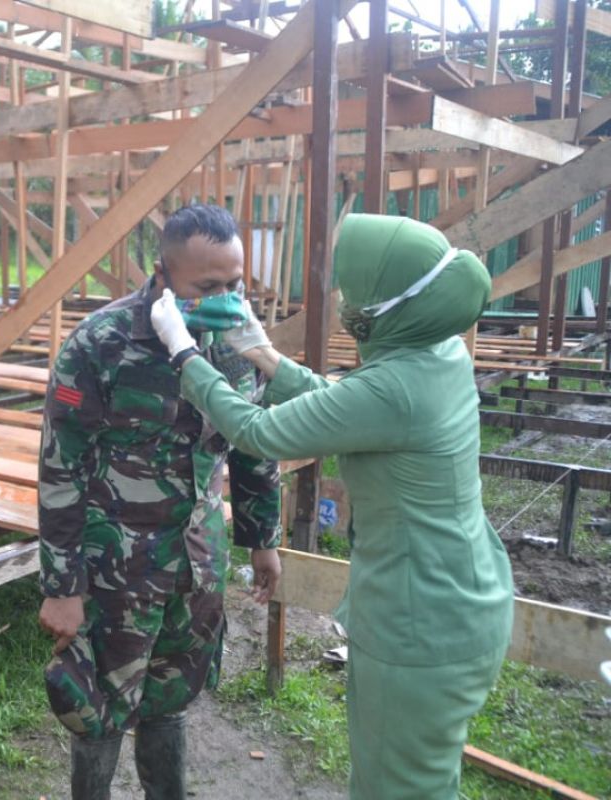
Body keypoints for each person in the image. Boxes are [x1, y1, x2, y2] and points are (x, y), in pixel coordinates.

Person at [151, 213, 514, 799]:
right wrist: (265, 355)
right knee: (414, 781)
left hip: (419, 622)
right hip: (460, 600)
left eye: (354, 291)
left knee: (394, 789)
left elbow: (259, 433)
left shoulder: (396, 387)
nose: (345, 300)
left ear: (387, 303)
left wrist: (184, 355)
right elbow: (345, 403)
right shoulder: (439, 353)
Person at [37, 204, 283, 799]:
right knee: (99, 707)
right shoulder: (102, 343)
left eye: (235, 283)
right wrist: (62, 586)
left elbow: (253, 443)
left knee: (172, 700)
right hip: (116, 569)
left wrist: (262, 540)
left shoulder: (237, 342)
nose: (225, 297)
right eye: (208, 286)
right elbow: (60, 468)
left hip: (198, 561)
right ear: (163, 274)